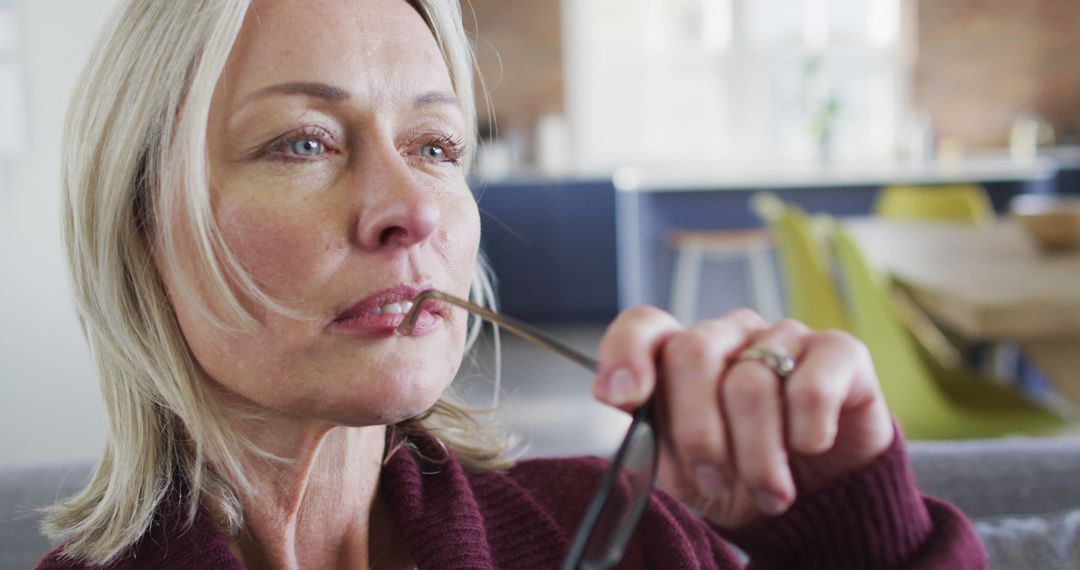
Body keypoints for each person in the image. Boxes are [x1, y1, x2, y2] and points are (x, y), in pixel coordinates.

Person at [36, 0, 985, 568]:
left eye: (437, 146)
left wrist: (859, 539)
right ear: (142, 226)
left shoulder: (626, 532)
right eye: (304, 143)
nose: (410, 207)